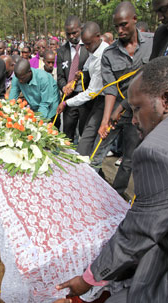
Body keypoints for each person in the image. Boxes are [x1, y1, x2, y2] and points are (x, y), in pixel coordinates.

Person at [57, 56, 168, 303]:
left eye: (136, 108)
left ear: (165, 100)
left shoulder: (156, 149)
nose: (132, 120)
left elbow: (137, 235)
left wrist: (89, 278)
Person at [90, 1, 153, 197]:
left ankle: (114, 196)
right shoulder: (110, 53)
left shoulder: (153, 43)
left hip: (140, 114)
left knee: (129, 160)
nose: (119, 30)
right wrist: (105, 120)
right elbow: (110, 90)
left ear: (134, 20)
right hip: (116, 111)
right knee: (97, 153)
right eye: (116, 26)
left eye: (124, 24)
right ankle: (90, 191)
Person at [57, 22, 109, 156]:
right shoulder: (93, 49)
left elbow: (91, 92)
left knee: (88, 136)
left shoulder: (103, 57)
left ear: (98, 37)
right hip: (80, 97)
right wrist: (74, 80)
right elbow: (85, 68)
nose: (86, 47)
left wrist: (65, 103)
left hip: (100, 99)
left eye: (88, 44)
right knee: (76, 134)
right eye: (84, 44)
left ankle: (90, 168)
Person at [57, 15, 92, 140]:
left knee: (85, 132)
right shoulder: (62, 51)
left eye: (74, 33)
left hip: (86, 97)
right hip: (69, 98)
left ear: (81, 29)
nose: (72, 36)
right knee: (67, 133)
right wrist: (64, 87)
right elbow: (60, 76)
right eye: (68, 34)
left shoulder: (89, 47)